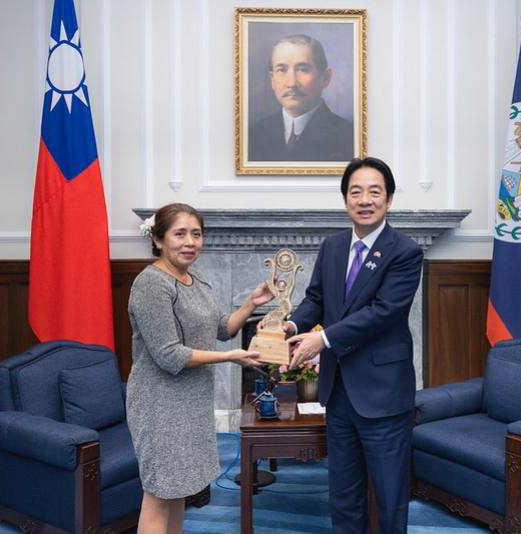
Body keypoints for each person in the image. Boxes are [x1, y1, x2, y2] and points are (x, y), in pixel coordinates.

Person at [284, 157, 424, 533]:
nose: (364, 200)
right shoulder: (332, 246)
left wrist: (323, 339)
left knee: (389, 496)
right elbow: (316, 298)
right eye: (355, 192)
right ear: (345, 198)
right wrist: (292, 324)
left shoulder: (405, 251)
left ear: (389, 199)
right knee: (344, 494)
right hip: (339, 390)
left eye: (374, 192)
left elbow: (384, 312)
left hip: (383, 393)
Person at [126, 203, 274, 533]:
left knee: (178, 491)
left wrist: (251, 303)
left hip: (191, 401)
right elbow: (169, 355)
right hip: (159, 404)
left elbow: (222, 328)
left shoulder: (197, 278)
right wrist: (230, 357)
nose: (190, 242)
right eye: (180, 234)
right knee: (159, 494)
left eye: (196, 234)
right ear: (159, 239)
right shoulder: (151, 284)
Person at [248, 34, 354, 162]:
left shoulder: (348, 136)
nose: (292, 83)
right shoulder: (254, 134)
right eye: (281, 70)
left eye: (303, 69)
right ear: (272, 80)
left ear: (325, 78)